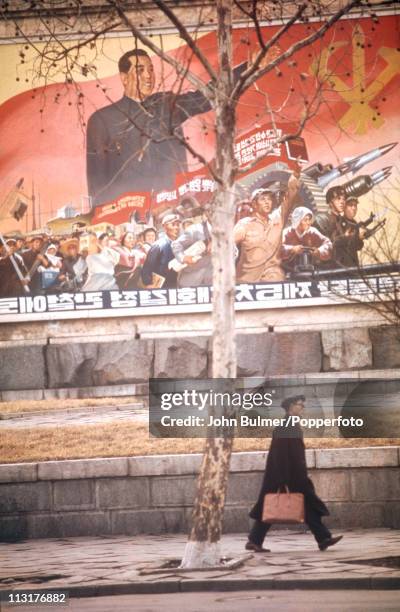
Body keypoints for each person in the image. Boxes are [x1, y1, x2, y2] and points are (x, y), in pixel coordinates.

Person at [86, 49, 252, 207]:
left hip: (174, 205)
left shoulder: (165, 104)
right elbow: (98, 183)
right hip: (131, 214)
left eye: (151, 70)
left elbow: (204, 97)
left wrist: (249, 69)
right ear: (124, 78)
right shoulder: (102, 119)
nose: (148, 76)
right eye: (140, 70)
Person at [246, 395, 343, 553]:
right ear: (291, 406)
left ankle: (323, 538)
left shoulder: (290, 425)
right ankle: (323, 538)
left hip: (291, 476)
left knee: (281, 506)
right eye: (300, 405)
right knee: (274, 506)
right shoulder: (286, 426)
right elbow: (280, 454)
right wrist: (283, 478)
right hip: (287, 477)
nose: (302, 408)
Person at [234, 171, 300, 283]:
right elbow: (228, 244)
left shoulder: (277, 219)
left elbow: (289, 198)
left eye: (269, 199)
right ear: (254, 204)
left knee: (276, 277)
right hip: (246, 280)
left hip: (272, 274)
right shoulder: (245, 224)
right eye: (263, 199)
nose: (267, 202)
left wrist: (296, 175)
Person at [171, 204, 212, 287]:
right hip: (191, 280)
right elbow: (176, 244)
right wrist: (183, 258)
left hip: (213, 281)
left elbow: (234, 252)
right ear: (207, 213)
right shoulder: (194, 229)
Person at [282, 206, 332, 273]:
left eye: (309, 220)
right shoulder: (287, 232)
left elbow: (328, 243)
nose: (308, 223)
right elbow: (277, 248)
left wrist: (319, 251)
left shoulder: (312, 231)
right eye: (305, 220)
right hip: (289, 270)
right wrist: (292, 249)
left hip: (311, 270)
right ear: (298, 221)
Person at [141, 213, 181, 288]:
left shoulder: (178, 245)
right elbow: (147, 267)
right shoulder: (159, 245)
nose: (176, 227)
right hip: (160, 286)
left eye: (178, 225)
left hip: (175, 284)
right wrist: (148, 283)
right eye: (173, 224)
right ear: (164, 226)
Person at [331, 197, 367, 268]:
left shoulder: (354, 223)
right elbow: (334, 242)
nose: (354, 208)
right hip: (341, 265)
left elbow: (356, 247)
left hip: (353, 264)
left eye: (355, 206)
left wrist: (360, 239)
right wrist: (346, 237)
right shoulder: (338, 221)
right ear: (344, 207)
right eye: (350, 205)